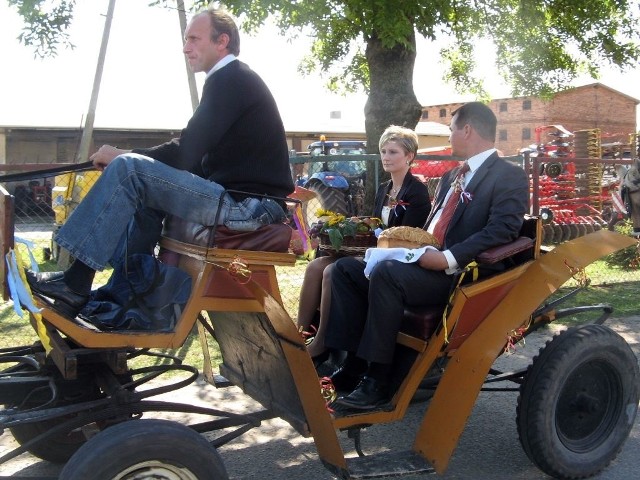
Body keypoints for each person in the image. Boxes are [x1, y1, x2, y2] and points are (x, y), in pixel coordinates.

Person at [27, 8, 294, 317]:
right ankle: (124, 290)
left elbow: (185, 152)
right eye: (185, 40)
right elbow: (192, 160)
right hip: (237, 199)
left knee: (130, 171)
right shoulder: (228, 82)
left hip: (250, 207)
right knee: (143, 188)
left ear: (222, 41)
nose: (186, 48)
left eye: (194, 38)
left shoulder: (232, 79)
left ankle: (75, 283)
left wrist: (123, 157)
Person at [320, 102, 530, 411]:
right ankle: (353, 366)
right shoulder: (450, 177)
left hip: (458, 275)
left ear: (467, 130)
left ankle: (377, 380)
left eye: (452, 130)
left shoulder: (507, 175)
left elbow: (504, 229)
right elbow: (429, 226)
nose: (450, 136)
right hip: (421, 261)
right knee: (344, 271)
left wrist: (447, 258)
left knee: (386, 275)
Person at [297, 126, 431, 364]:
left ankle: (322, 344)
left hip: (396, 260)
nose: (386, 157)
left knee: (330, 271)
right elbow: (376, 224)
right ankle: (299, 335)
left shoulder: (417, 191)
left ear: (409, 156)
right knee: (315, 266)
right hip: (374, 250)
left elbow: (408, 238)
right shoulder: (383, 189)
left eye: (393, 152)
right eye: (383, 151)